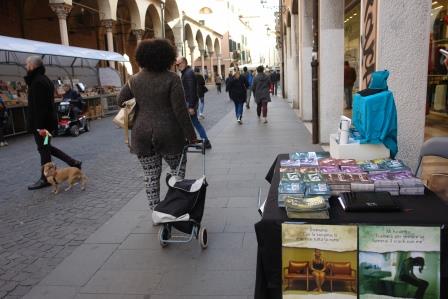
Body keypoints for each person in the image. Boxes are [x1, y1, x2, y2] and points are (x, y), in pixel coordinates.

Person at [118, 39, 197, 209]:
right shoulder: (172, 79)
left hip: (142, 134)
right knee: (177, 172)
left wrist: (141, 104)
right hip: (171, 135)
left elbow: (120, 100)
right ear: (167, 57)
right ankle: (175, 207)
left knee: (150, 176)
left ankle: (155, 211)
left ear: (142, 57)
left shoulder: (134, 80)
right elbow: (180, 111)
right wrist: (191, 136)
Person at [25, 56, 81, 190]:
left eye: (27, 64)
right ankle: (73, 162)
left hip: (42, 126)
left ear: (32, 66)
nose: (26, 66)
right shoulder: (44, 80)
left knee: (44, 149)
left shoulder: (38, 82)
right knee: (46, 147)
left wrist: (39, 127)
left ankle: (45, 178)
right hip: (46, 124)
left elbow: (40, 108)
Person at [176, 57, 212, 149]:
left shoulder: (188, 74)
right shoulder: (186, 73)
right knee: (193, 122)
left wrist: (191, 106)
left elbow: (192, 90)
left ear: (183, 63)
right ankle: (202, 141)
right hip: (188, 103)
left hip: (189, 103)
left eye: (178, 64)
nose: (177, 66)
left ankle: (201, 141)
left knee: (190, 123)